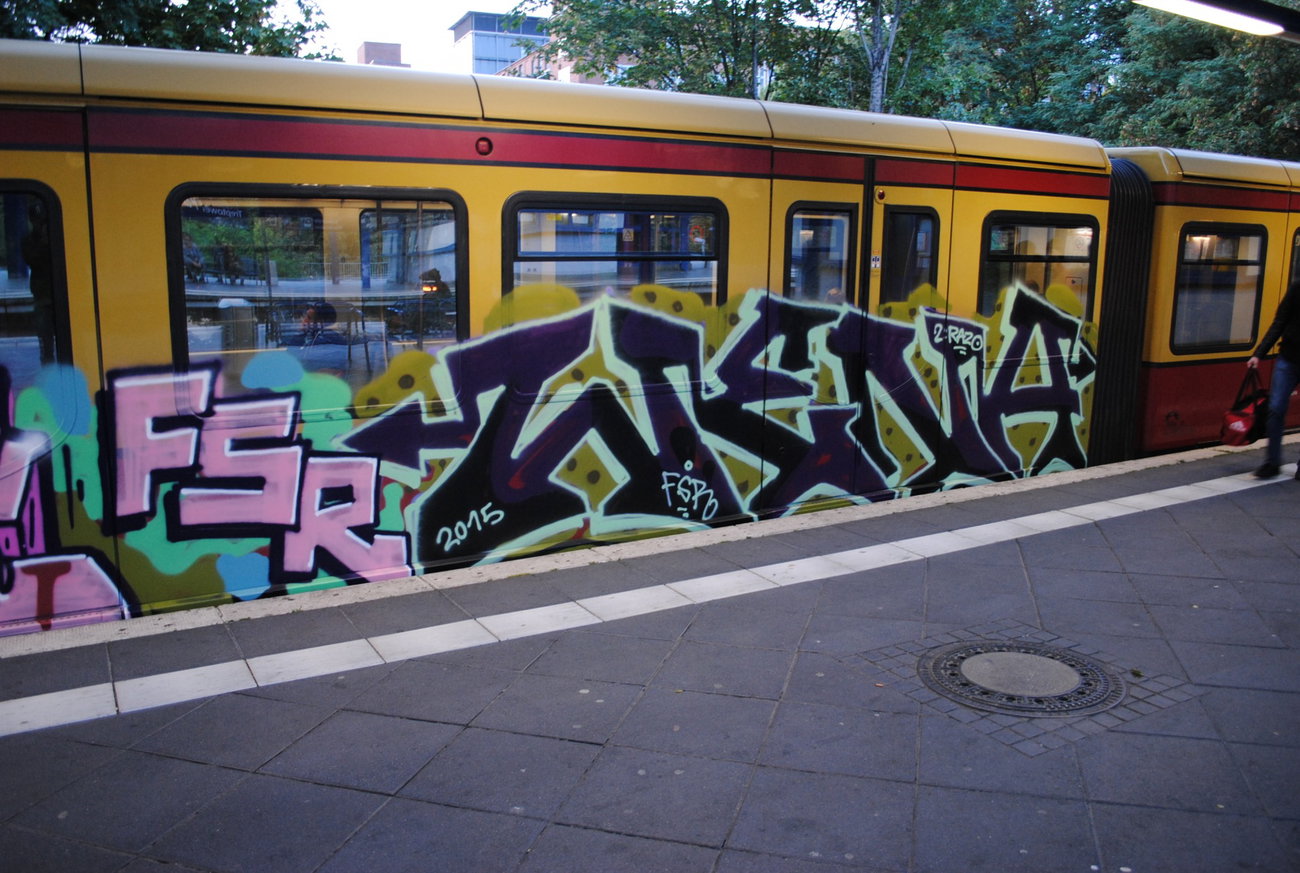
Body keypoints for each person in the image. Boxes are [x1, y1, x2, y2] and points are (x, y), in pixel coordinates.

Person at [1246, 278, 1300, 478]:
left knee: (1276, 408)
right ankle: (1272, 462)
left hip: (1288, 360)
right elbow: (1280, 322)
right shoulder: (1297, 288)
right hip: (1289, 358)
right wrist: (1258, 354)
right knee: (1275, 408)